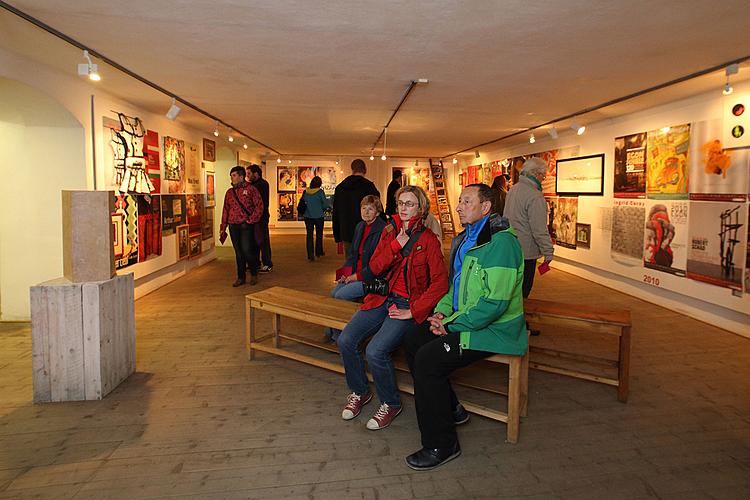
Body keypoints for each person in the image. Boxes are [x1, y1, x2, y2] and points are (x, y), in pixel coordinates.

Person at [403, 183, 526, 471]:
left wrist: (450, 325)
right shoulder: (466, 239)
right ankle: (452, 409)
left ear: (486, 208)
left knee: (428, 359)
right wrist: (441, 314)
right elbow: (455, 289)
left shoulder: (501, 244)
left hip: (495, 331)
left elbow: (494, 304)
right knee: (412, 339)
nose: (458, 207)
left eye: (466, 202)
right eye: (459, 201)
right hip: (466, 320)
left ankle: (442, 444)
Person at [337, 185, 448, 431]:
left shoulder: (429, 240)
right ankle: (359, 391)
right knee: (346, 340)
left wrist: (415, 309)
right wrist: (396, 245)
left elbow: (440, 283)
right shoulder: (390, 231)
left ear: (421, 208)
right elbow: (374, 267)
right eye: (401, 204)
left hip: (406, 304)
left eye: (410, 204)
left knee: (376, 351)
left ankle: (391, 402)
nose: (405, 208)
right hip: (381, 298)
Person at [326, 195, 387, 342]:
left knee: (341, 296)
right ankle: (334, 332)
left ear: (377, 212)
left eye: (370, 209)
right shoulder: (360, 226)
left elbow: (377, 265)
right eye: (364, 208)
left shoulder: (382, 230)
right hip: (354, 274)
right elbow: (353, 255)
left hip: (370, 278)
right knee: (333, 292)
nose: (366, 212)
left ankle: (341, 335)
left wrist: (355, 277)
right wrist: (344, 274)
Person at [504, 157, 553, 298]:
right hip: (526, 251)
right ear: (536, 174)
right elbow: (539, 229)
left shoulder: (513, 190)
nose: (543, 179)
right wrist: (548, 252)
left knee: (511, 288)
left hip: (510, 246)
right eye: (543, 176)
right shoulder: (535, 196)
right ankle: (519, 318)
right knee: (523, 290)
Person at [219, 165, 264, 287]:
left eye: (234, 175)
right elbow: (225, 210)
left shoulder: (251, 189)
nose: (232, 178)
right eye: (231, 176)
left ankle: (254, 273)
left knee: (247, 250)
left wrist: (251, 220)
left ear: (241, 176)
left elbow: (259, 206)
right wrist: (223, 227)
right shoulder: (229, 192)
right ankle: (241, 277)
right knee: (238, 252)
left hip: (246, 225)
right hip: (233, 226)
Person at [332, 159, 380, 256]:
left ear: (352, 169)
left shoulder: (340, 188)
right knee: (366, 260)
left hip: (346, 230)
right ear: (365, 170)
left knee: (349, 261)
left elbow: (336, 212)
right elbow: (378, 208)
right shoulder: (369, 187)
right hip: (366, 230)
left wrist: (337, 235)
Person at [248, 164, 273, 273]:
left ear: (256, 173)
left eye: (249, 173)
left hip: (261, 217)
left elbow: (261, 203)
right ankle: (256, 263)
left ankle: (267, 263)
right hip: (254, 217)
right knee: (254, 240)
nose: (247, 176)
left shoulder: (262, 184)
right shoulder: (253, 185)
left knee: (263, 240)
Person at [301, 175, 330, 261]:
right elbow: (325, 204)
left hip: (308, 216)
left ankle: (310, 255)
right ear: (320, 184)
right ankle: (318, 252)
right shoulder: (320, 192)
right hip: (319, 216)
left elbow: (303, 202)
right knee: (319, 234)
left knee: (309, 235)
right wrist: (322, 208)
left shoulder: (306, 191)